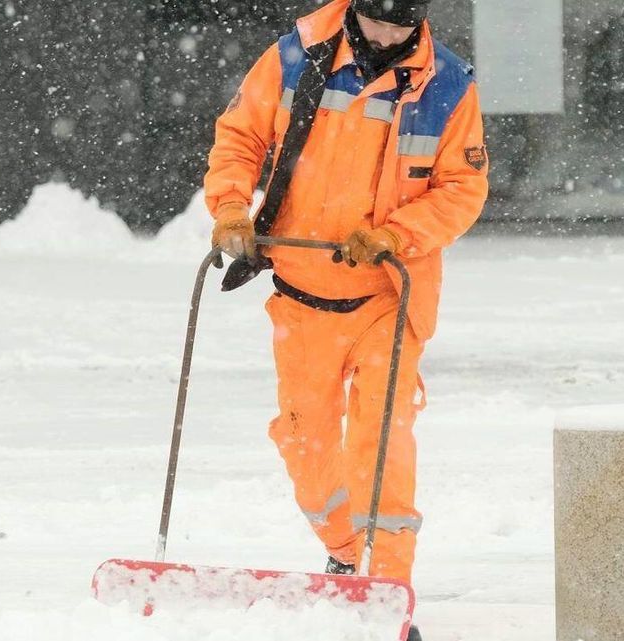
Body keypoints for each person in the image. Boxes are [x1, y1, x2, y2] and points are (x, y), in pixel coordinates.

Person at [204, 1, 487, 636]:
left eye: (401, 25)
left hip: (388, 295)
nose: (387, 36)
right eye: (377, 20)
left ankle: (387, 587)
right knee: (303, 441)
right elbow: (240, 136)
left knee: (382, 442)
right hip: (300, 294)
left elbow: (462, 189)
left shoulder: (447, 84)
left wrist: (395, 234)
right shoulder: (295, 56)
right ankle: (342, 546)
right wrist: (230, 209)